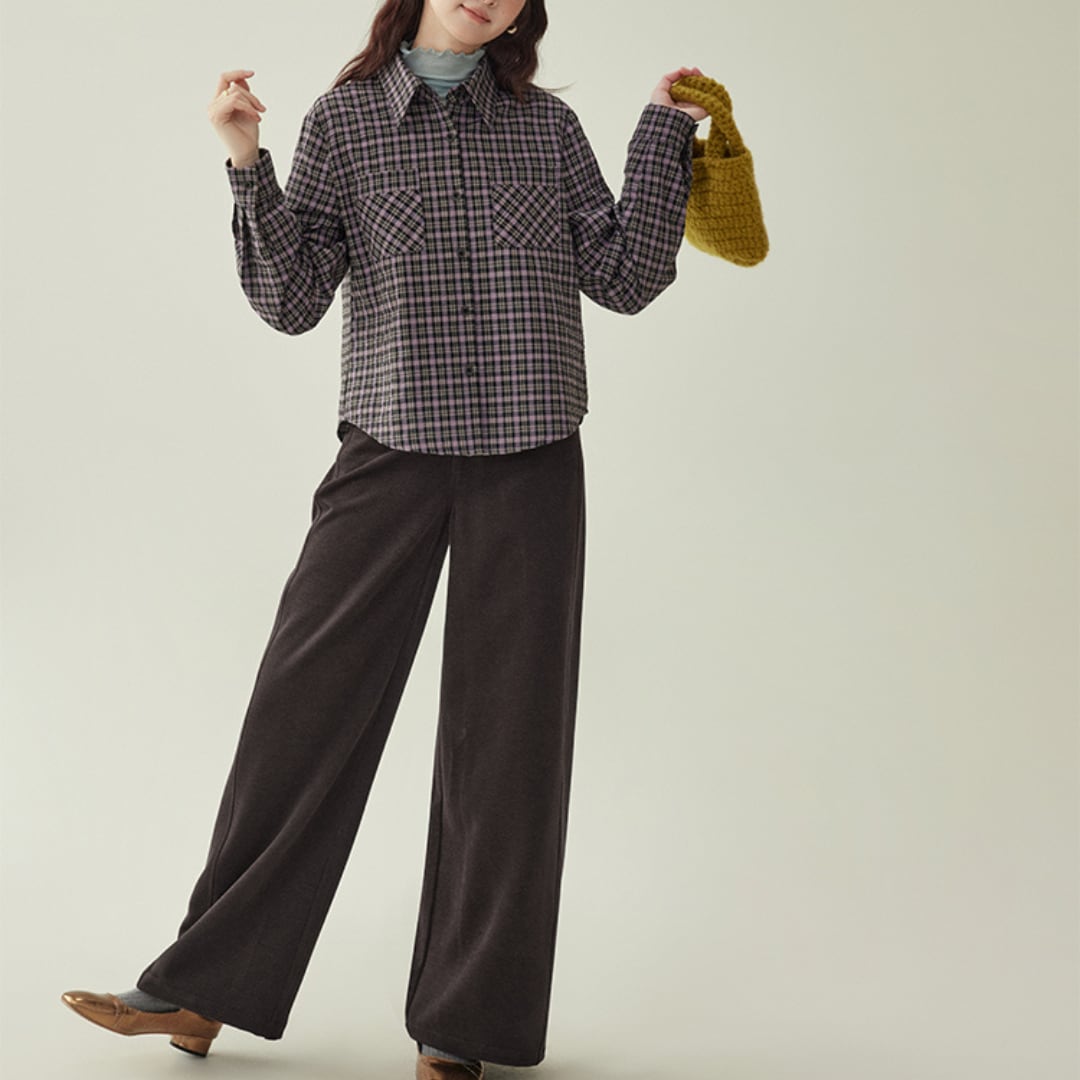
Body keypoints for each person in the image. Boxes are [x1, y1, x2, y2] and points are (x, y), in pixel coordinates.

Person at [59, 1, 707, 1077]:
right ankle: (201, 987)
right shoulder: (344, 121)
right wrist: (245, 160)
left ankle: (462, 1030)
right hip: (389, 449)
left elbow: (626, 277)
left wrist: (660, 134)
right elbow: (292, 299)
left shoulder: (546, 128)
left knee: (509, 744)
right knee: (301, 706)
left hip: (531, 457)